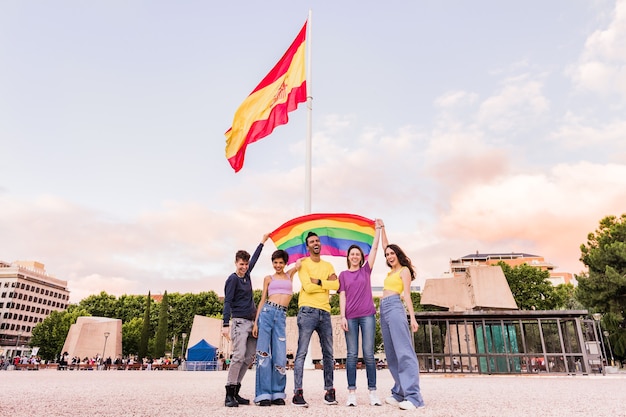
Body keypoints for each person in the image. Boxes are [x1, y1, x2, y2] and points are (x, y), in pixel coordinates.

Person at [379, 222, 425, 410]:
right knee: (391, 354)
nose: (389, 256)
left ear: (399, 255)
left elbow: (406, 295)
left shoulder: (404, 271)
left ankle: (414, 397)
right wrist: (381, 229)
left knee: (404, 352)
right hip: (383, 308)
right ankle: (399, 392)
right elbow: (385, 245)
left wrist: (412, 318)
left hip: (396, 308)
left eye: (392, 253)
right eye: (387, 254)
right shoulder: (391, 271)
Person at [338, 218, 383, 407]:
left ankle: (373, 392)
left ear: (360, 257)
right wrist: (342, 317)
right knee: (351, 355)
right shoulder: (343, 275)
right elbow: (342, 296)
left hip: (367, 315)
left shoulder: (366, 271)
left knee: (368, 354)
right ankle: (351, 393)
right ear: (348, 257)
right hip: (350, 317)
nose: (355, 256)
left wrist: (378, 229)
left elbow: (374, 250)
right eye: (352, 254)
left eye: (357, 254)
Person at [292, 231, 339, 407]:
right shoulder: (303, 264)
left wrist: (319, 282)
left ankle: (330, 390)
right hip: (307, 311)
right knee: (302, 352)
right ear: (308, 246)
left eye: (317, 240)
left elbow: (336, 285)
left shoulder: (328, 265)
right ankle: (297, 392)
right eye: (312, 241)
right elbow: (307, 287)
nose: (315, 243)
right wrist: (325, 283)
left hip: (325, 312)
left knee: (328, 353)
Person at [222, 234, 269, 408]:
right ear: (236, 263)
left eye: (246, 264)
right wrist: (226, 324)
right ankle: (229, 393)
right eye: (241, 264)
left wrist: (262, 242)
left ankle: (236, 391)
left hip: (252, 322)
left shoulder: (247, 275)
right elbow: (227, 301)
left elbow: (255, 259)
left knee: (249, 357)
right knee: (238, 355)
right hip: (239, 322)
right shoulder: (232, 279)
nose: (244, 267)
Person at [251, 250, 298, 406]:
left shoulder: (290, 275)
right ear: (272, 263)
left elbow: (302, 261)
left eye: (281, 262)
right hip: (267, 313)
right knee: (263, 354)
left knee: (279, 354)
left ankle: (277, 393)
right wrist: (256, 322)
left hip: (281, 316)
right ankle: (263, 394)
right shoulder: (268, 278)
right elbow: (262, 299)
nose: (278, 265)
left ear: (285, 263)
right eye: (275, 262)